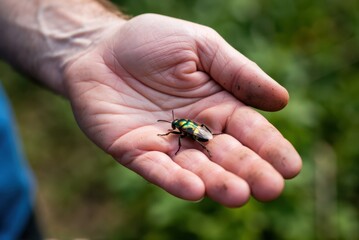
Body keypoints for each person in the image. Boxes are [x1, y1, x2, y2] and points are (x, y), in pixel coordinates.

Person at [0, 0, 302, 238]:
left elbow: (183, 133)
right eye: (175, 128)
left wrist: (91, 39)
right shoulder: (183, 129)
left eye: (175, 126)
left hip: (11, 211)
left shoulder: (185, 129)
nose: (175, 129)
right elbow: (181, 134)